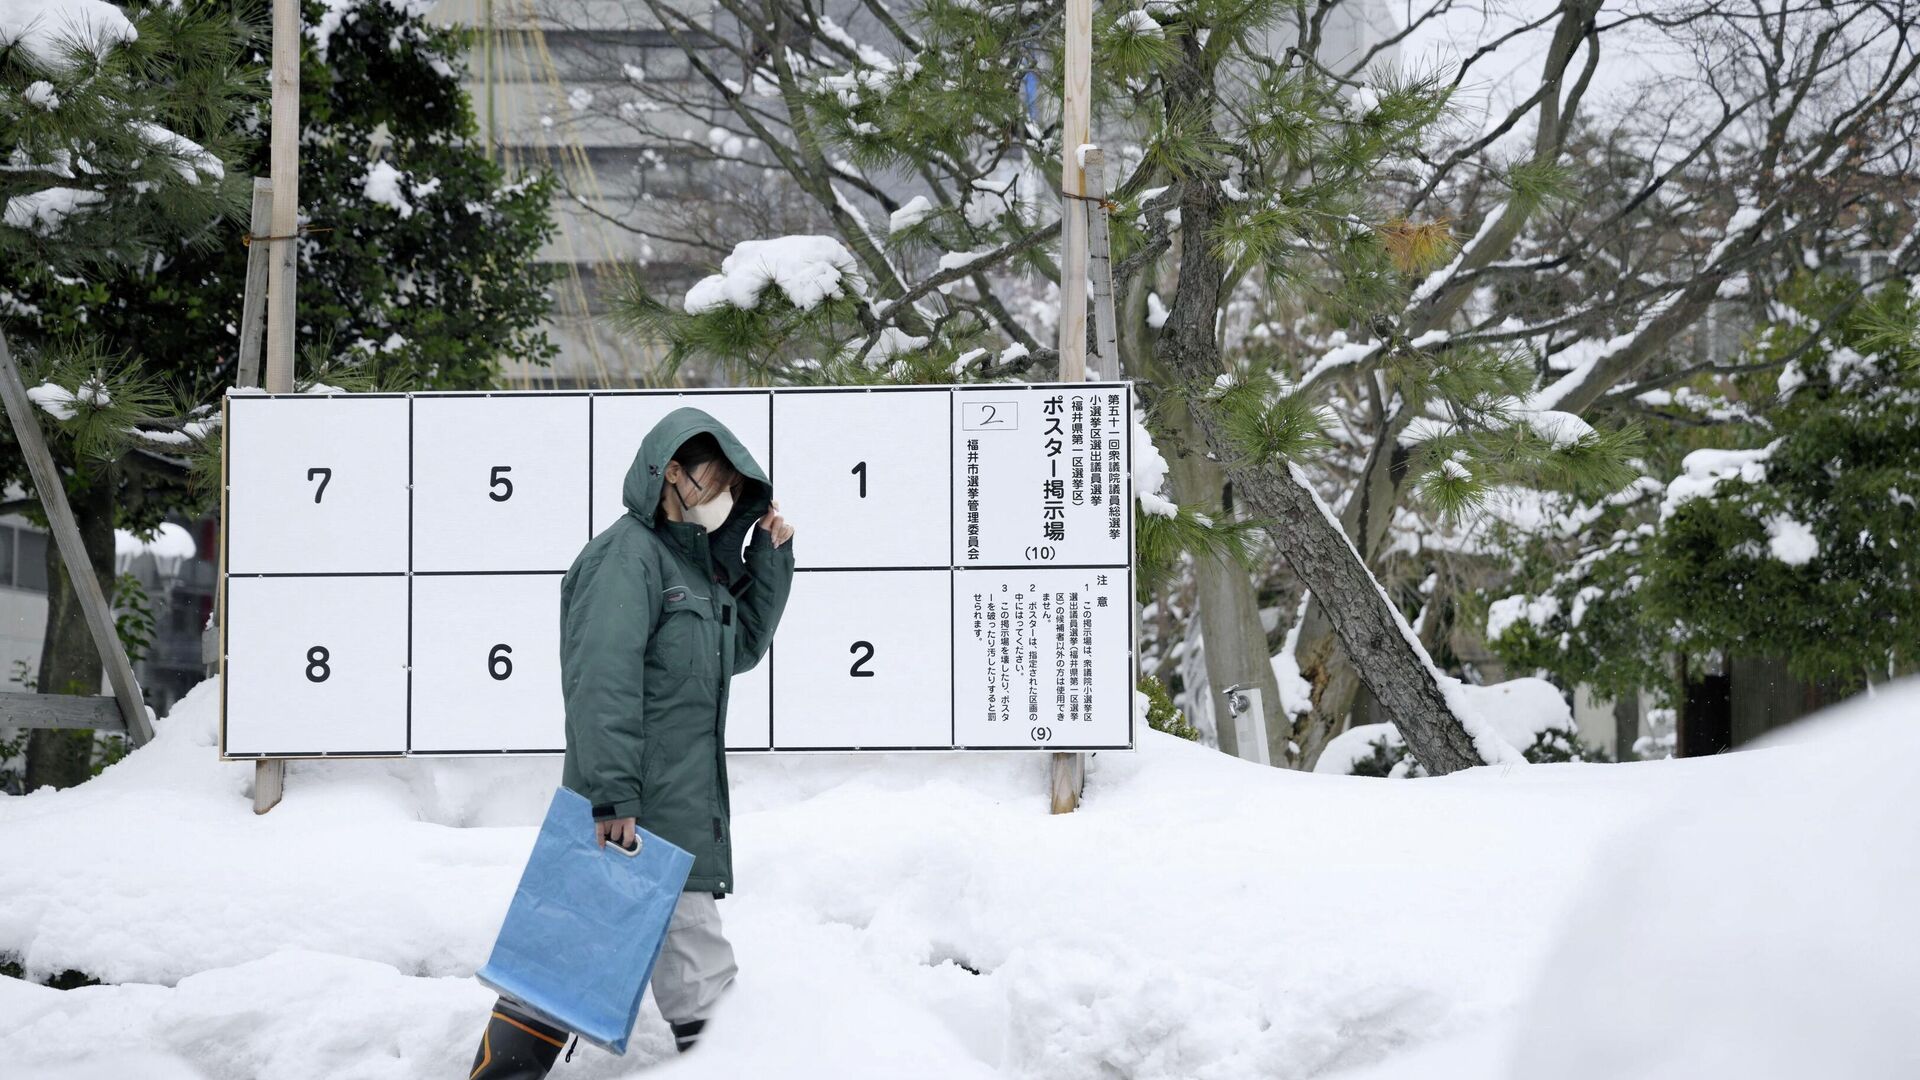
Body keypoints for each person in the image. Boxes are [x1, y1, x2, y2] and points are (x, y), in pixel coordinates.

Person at [468, 407, 796, 1078]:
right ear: (671, 471)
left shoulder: (690, 568)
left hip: (668, 813)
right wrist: (612, 793)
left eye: (737, 483)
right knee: (651, 978)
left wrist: (769, 557)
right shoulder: (627, 556)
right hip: (631, 815)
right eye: (716, 478)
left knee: (574, 972)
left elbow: (736, 649)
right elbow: (602, 682)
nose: (725, 494)